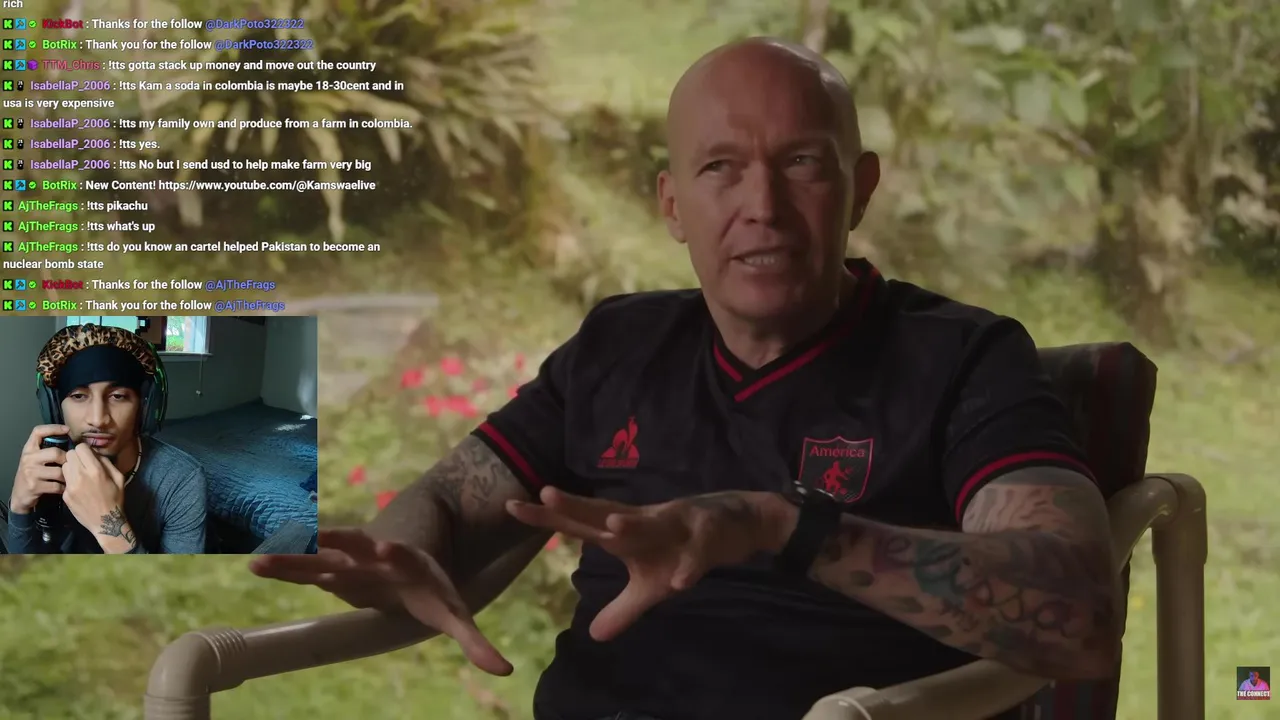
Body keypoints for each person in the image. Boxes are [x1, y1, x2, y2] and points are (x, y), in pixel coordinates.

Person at [251, 37, 1120, 720]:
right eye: (720, 168)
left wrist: (783, 527)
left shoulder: (962, 358)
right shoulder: (620, 345)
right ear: (672, 204)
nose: (762, 208)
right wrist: (406, 549)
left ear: (860, 189)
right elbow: (450, 497)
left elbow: (1080, 612)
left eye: (802, 163)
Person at [6, 323, 208, 554]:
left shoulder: (182, 479)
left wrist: (110, 526)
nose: (98, 420)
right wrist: (19, 509)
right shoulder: (47, 464)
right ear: (55, 407)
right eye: (79, 396)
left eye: (118, 396)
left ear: (144, 407)